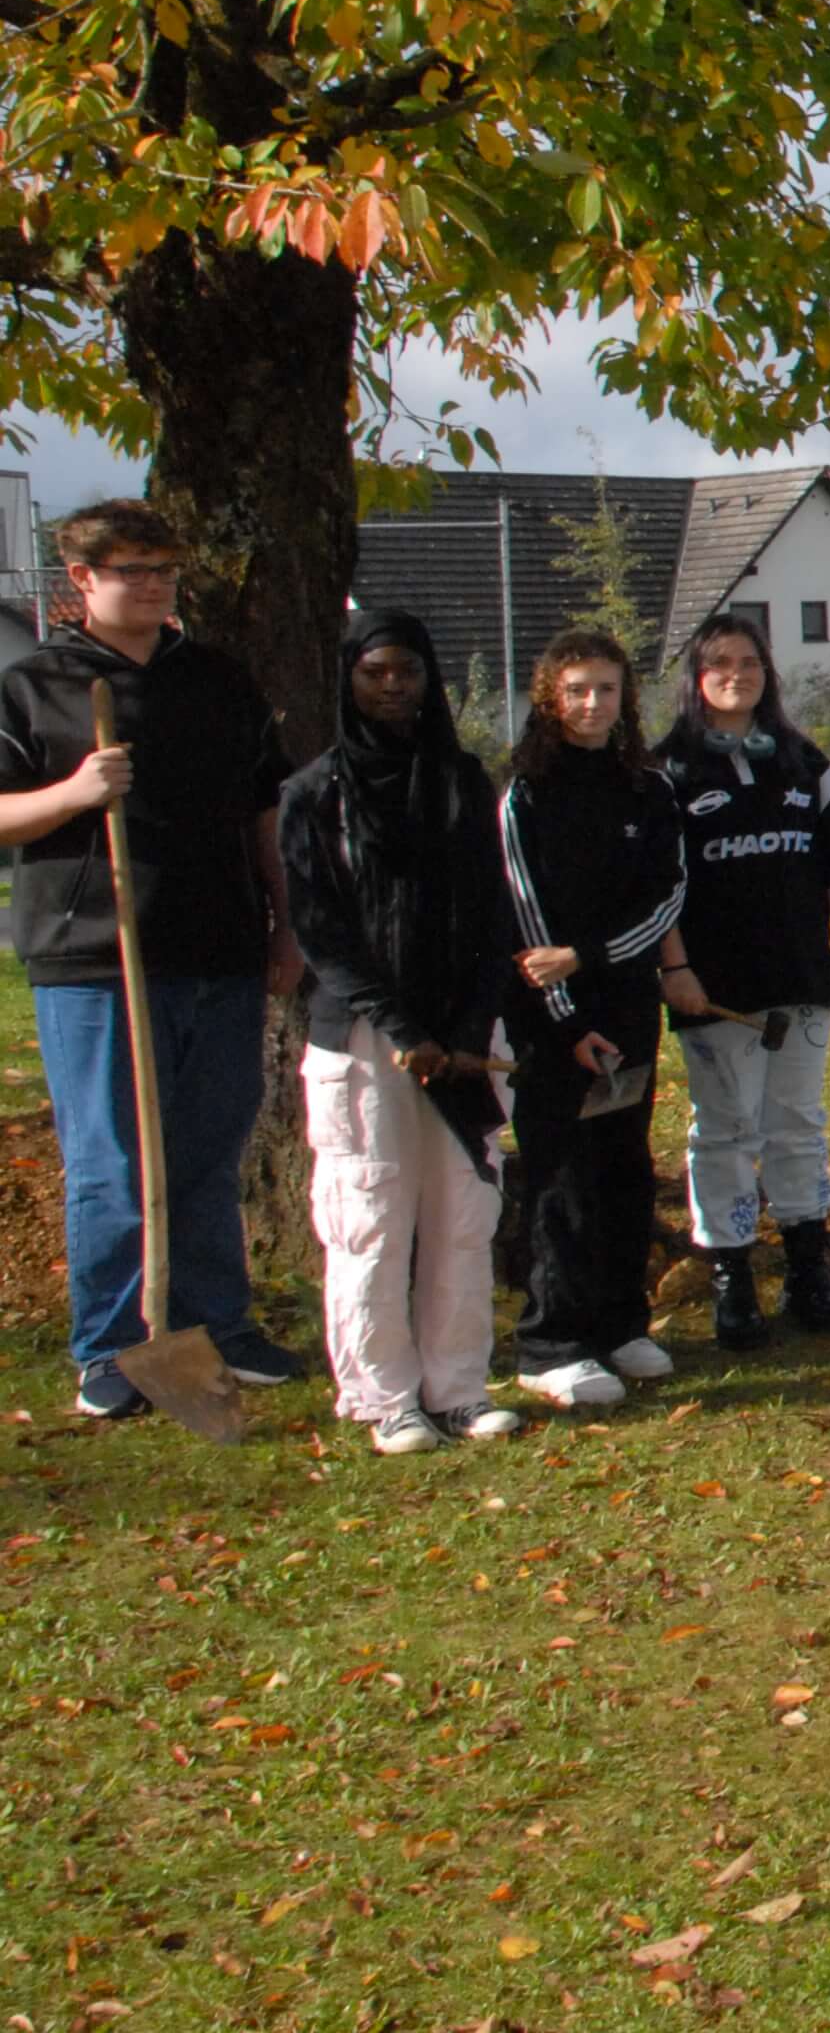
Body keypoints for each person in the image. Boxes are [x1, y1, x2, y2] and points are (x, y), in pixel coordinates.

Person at [0, 498, 307, 1420]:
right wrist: (72, 792)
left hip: (217, 948)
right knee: (112, 1164)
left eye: (164, 570)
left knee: (209, 1151)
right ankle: (109, 1346)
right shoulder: (38, 684)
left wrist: (284, 925)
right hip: (94, 956)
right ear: (81, 581)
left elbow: (265, 812)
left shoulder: (215, 680)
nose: (151, 585)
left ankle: (221, 1323)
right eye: (131, 569)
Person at [278, 609, 520, 1450]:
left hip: (460, 1035)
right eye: (375, 671)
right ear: (349, 679)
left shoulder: (461, 779)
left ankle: (456, 1387)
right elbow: (321, 931)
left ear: (430, 680)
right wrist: (400, 1026)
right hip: (364, 1038)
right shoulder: (314, 795)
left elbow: (496, 913)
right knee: (371, 1217)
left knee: (461, 1213)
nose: (392, 686)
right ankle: (384, 1398)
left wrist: (464, 1023)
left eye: (407, 672)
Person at [657, 612, 830, 1351]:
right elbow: (660, 887)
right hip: (715, 988)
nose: (736, 676)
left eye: (749, 663)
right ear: (695, 677)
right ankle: (732, 1279)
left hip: (801, 976)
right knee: (724, 1130)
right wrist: (675, 967)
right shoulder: (667, 772)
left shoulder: (804, 761)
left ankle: (808, 1272)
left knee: (798, 1125)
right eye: (720, 664)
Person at [499, 629, 691, 1412]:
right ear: (551, 696)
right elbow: (524, 917)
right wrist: (568, 1012)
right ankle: (552, 1342)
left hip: (627, 1005)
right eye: (577, 689)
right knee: (561, 1176)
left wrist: (593, 959)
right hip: (555, 1019)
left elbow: (667, 898)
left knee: (623, 1165)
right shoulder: (524, 792)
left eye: (606, 689)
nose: (591, 704)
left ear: (626, 698)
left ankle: (619, 1323)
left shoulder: (649, 790)